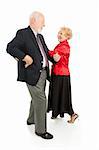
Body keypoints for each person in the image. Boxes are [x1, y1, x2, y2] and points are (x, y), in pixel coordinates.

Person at [6, 11, 54, 139]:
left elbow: (46, 52)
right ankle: (40, 130)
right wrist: (25, 57)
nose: (44, 25)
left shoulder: (40, 36)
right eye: (42, 22)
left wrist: (55, 59)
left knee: (37, 98)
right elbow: (10, 47)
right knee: (41, 100)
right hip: (32, 73)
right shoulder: (23, 33)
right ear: (34, 21)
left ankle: (31, 119)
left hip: (43, 73)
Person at [47, 27, 78, 123]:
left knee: (63, 95)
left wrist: (46, 50)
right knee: (57, 94)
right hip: (57, 73)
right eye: (59, 33)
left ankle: (73, 114)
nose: (59, 35)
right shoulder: (60, 45)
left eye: (62, 34)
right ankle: (56, 112)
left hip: (62, 75)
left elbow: (55, 57)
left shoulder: (64, 47)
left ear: (67, 37)